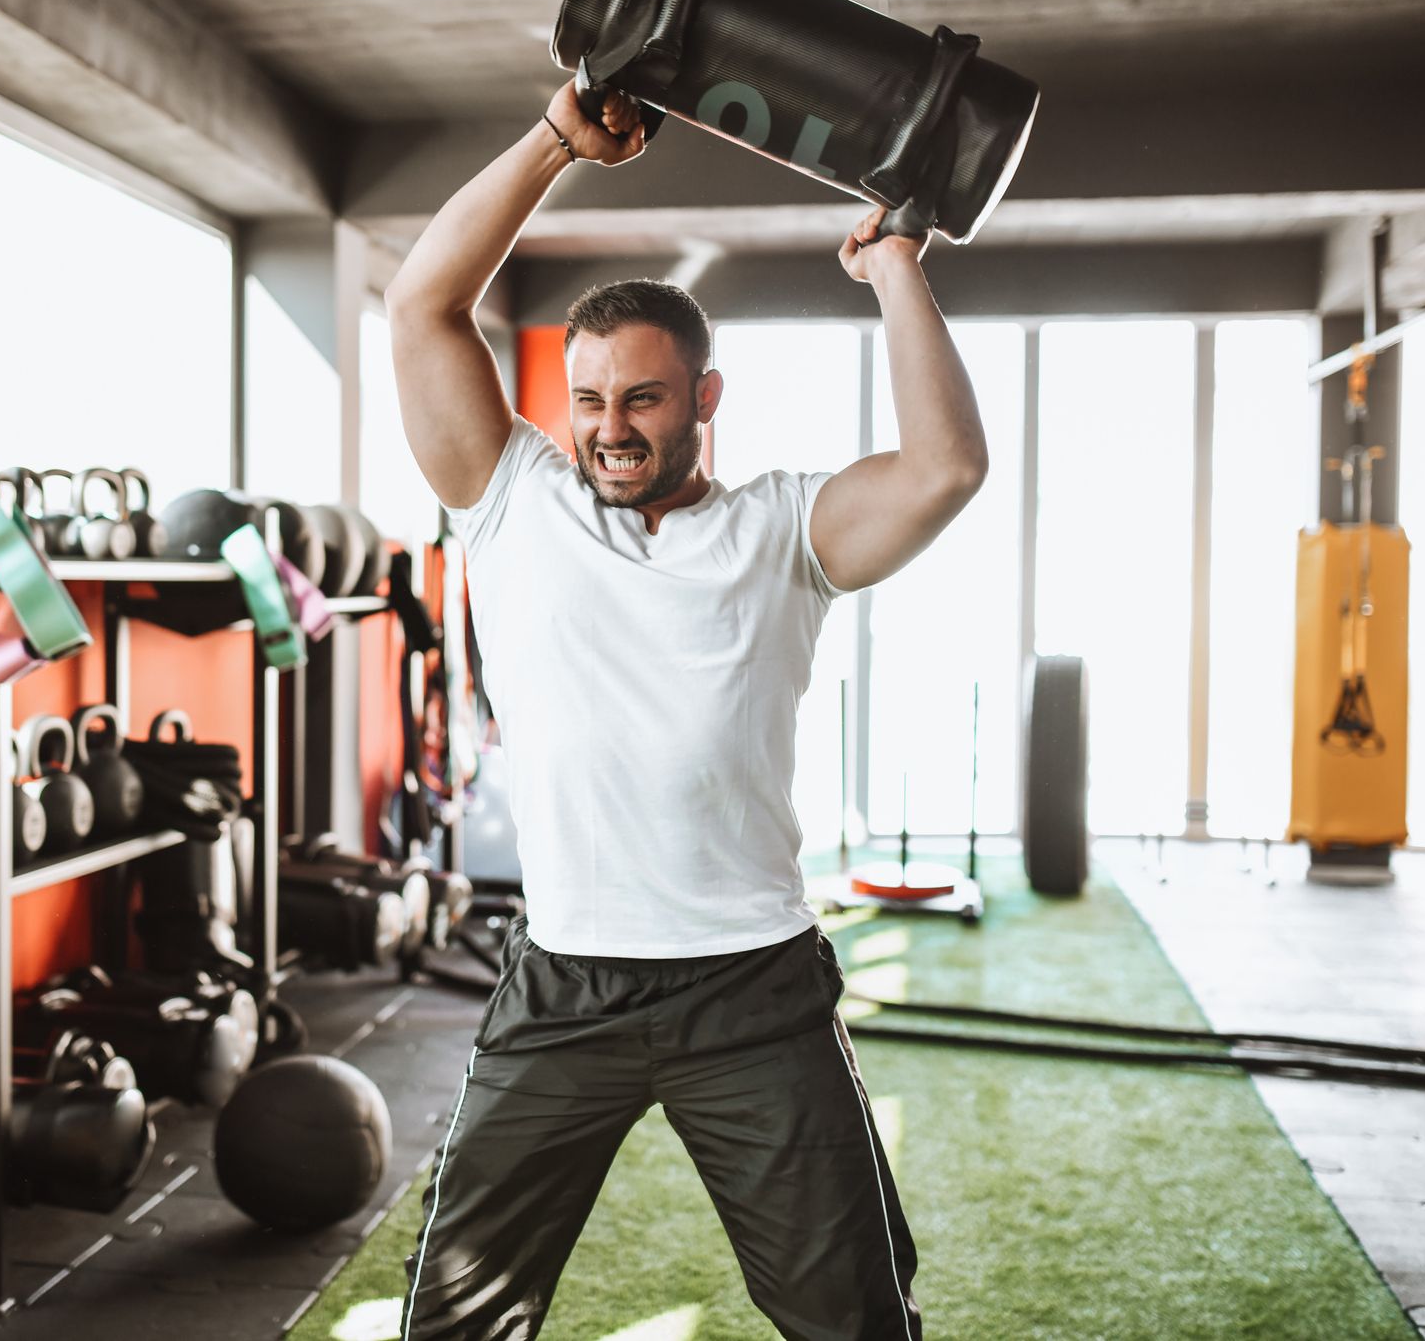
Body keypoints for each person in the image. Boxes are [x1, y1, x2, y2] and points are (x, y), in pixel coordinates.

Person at [384, 78, 987, 1341]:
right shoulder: (511, 501)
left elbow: (946, 467)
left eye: (644, 400)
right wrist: (555, 144)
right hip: (564, 987)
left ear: (704, 399)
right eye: (590, 400)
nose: (611, 429)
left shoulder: (782, 531)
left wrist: (891, 268)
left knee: (857, 1320)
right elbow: (422, 303)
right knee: (451, 1321)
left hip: (752, 991)